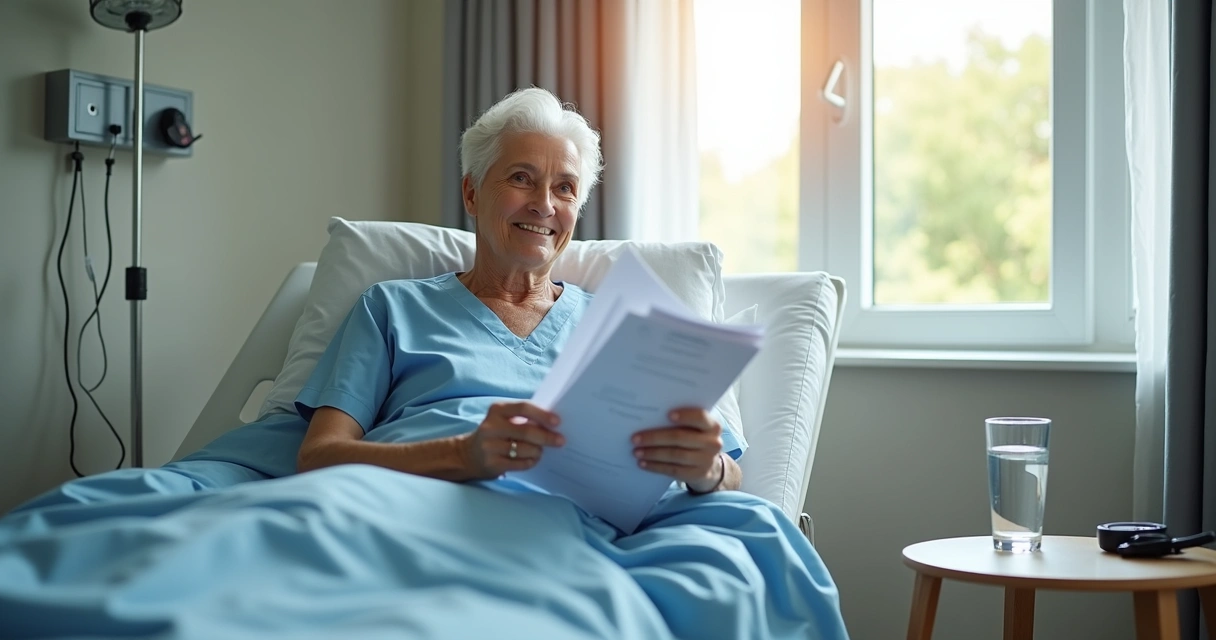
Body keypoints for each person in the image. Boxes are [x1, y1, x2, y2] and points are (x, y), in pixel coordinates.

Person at [5, 86, 744, 518]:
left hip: (556, 525)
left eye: (564, 188)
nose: (544, 205)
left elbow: (730, 474)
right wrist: (464, 453)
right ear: (471, 191)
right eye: (521, 178)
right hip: (400, 506)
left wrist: (710, 469)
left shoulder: (617, 327)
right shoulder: (393, 308)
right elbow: (321, 455)